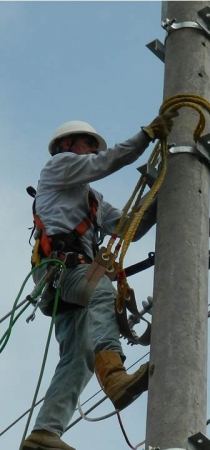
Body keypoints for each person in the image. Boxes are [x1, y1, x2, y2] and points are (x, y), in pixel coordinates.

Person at [21, 111, 177, 450]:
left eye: (94, 144)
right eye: (87, 143)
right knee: (101, 291)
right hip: (64, 271)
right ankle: (115, 376)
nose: (92, 150)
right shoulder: (59, 167)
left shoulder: (92, 199)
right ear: (66, 145)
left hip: (68, 280)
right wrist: (146, 135)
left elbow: (127, 228)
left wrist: (162, 195)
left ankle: (44, 434)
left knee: (78, 357)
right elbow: (107, 162)